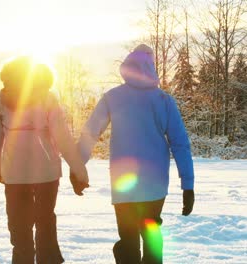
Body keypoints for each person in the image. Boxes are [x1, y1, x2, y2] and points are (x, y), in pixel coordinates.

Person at [74, 44, 195, 264]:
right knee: (151, 232)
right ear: (151, 67)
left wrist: (78, 168)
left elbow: (91, 132)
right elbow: (180, 144)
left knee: (128, 237)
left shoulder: (112, 97)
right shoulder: (164, 101)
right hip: (155, 183)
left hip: (124, 183)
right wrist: (188, 185)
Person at [0, 56, 89, 264]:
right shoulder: (47, 98)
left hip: (14, 174)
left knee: (19, 226)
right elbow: (63, 139)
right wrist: (79, 171)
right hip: (47, 173)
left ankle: (22, 259)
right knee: (45, 222)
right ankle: (48, 259)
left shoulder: (1, 99)